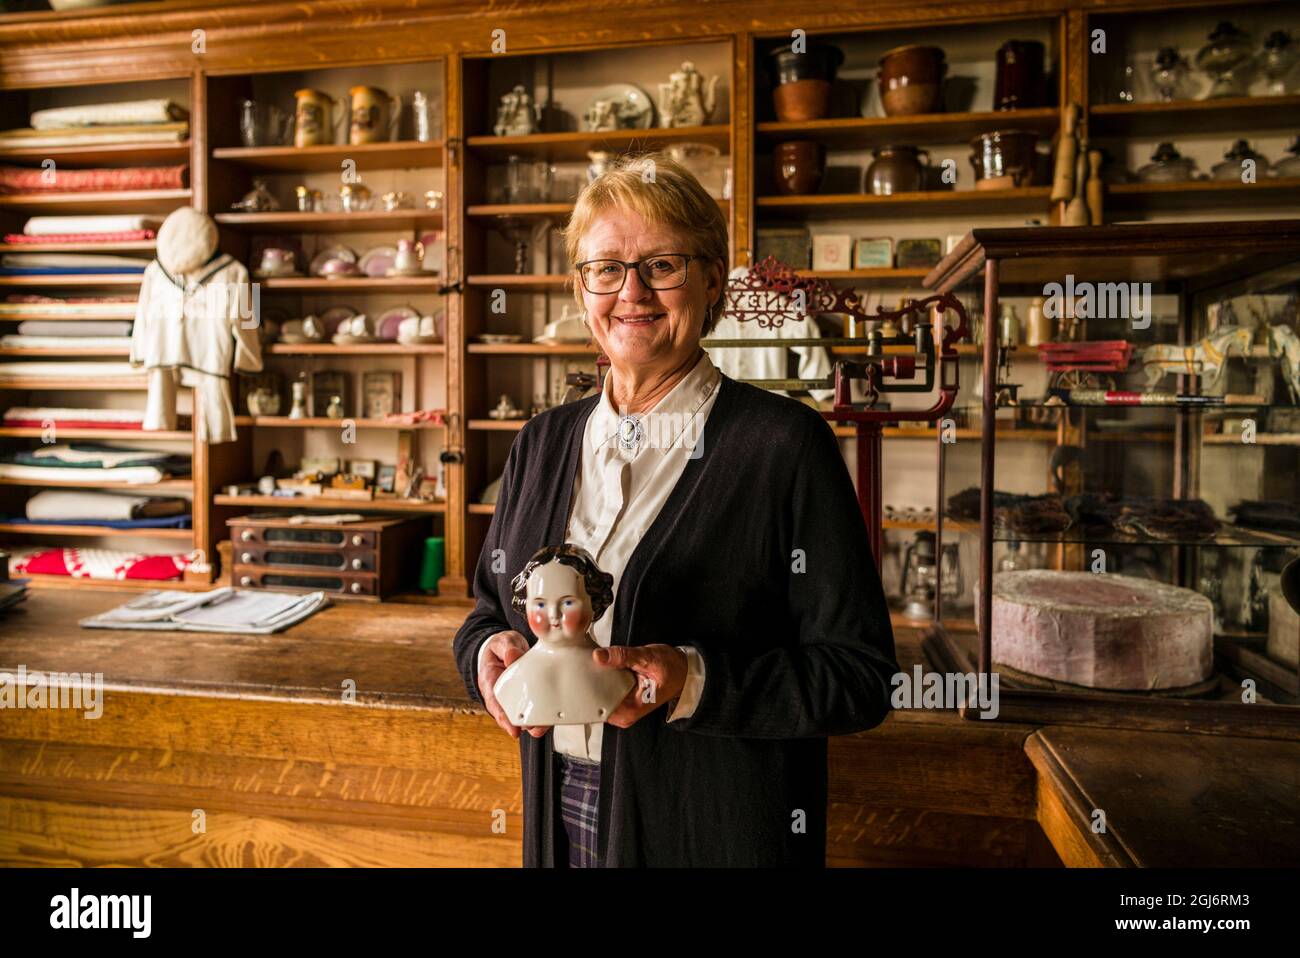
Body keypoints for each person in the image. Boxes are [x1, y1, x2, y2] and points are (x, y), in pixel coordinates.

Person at [452, 152, 899, 867]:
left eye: (662, 265)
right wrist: (486, 654)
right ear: (581, 288)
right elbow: (483, 613)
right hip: (559, 811)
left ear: (712, 280)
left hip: (713, 827)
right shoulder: (540, 443)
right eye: (606, 268)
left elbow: (860, 678)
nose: (631, 293)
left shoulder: (784, 446)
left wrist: (695, 679)